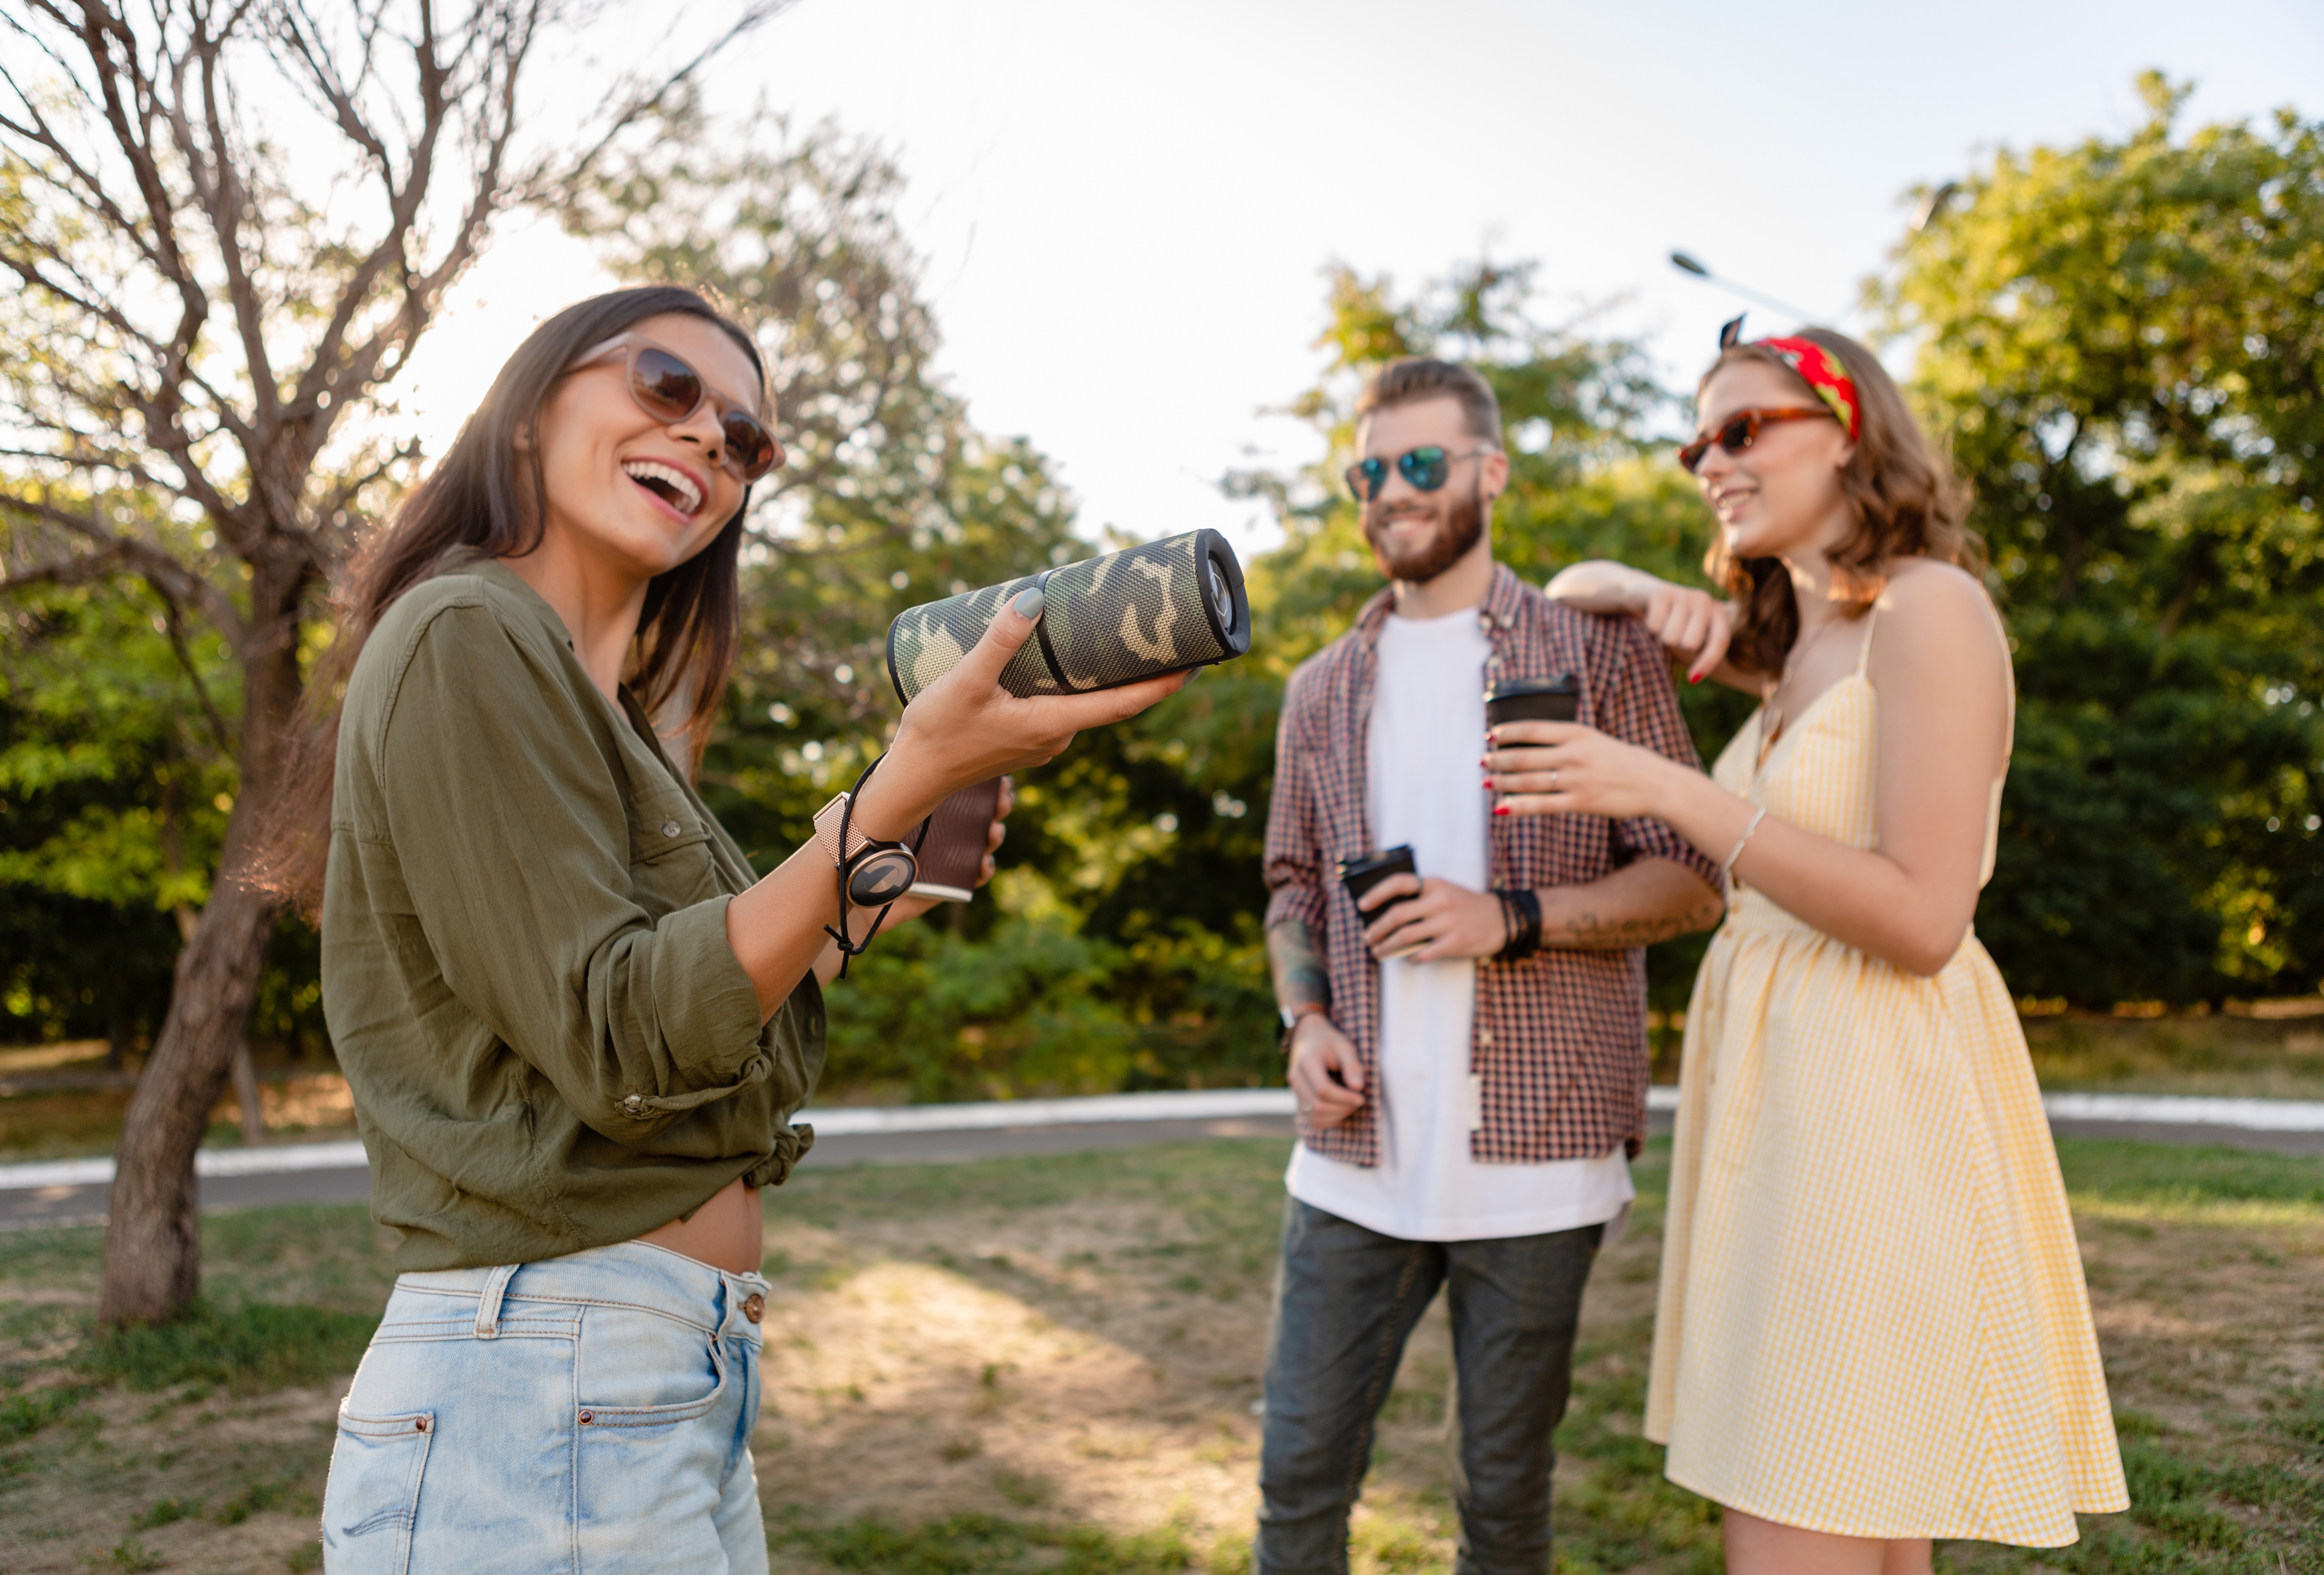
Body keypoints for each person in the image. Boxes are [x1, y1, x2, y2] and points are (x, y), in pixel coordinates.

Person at [284, 285, 1185, 1573]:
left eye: (749, 438)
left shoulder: (616, 715)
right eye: (668, 387)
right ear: (533, 408)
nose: (714, 436)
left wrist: (889, 854)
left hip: (652, 1371)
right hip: (542, 1376)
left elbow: (710, 1015)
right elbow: (622, 1038)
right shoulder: (464, 631)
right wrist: (879, 800)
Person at [1530, 325, 2129, 1571]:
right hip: (1791, 1113)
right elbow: (1579, 583)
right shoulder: (1805, 644)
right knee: (1861, 1515)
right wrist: (1646, 592)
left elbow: (1923, 918)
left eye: (1745, 428)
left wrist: (1670, 789)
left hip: (1871, 1108)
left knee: (1805, 1495)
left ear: (1848, 431)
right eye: (1698, 440)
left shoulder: (1935, 608)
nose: (1712, 460)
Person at [1257, 356, 1725, 1573]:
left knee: (1503, 1506)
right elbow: (1291, 888)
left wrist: (1507, 917)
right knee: (1297, 1485)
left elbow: (1691, 874)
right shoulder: (1318, 692)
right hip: (1353, 1166)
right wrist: (1303, 1023)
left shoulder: (1595, 652)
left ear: (1490, 473)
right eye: (1371, 470)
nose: (1392, 491)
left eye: (1423, 463)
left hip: (1539, 1167)